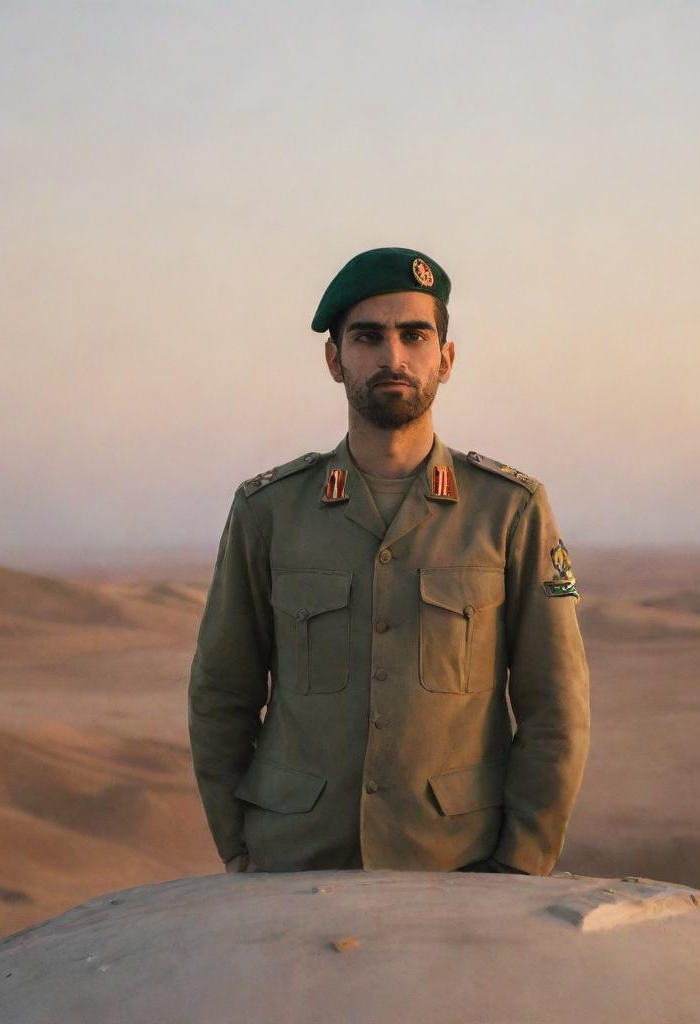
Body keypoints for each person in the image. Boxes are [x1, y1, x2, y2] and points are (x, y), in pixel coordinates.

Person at [188, 246, 590, 876]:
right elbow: (221, 690)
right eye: (368, 336)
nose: (392, 356)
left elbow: (555, 704)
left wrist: (520, 862)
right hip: (294, 860)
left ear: (446, 358)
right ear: (334, 358)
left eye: (414, 335)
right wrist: (239, 844)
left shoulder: (508, 511)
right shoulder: (269, 511)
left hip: (455, 860)